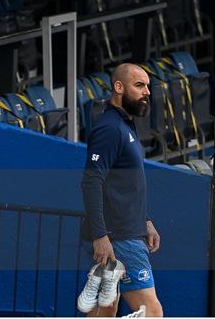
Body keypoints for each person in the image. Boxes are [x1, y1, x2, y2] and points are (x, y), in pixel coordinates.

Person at [80, 63, 163, 317]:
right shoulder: (109, 128)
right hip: (119, 236)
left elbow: (125, 183)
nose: (147, 91)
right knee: (150, 310)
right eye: (139, 85)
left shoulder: (125, 124)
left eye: (148, 86)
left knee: (105, 309)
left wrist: (145, 220)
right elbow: (91, 181)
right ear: (118, 87)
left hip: (124, 230)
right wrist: (101, 236)